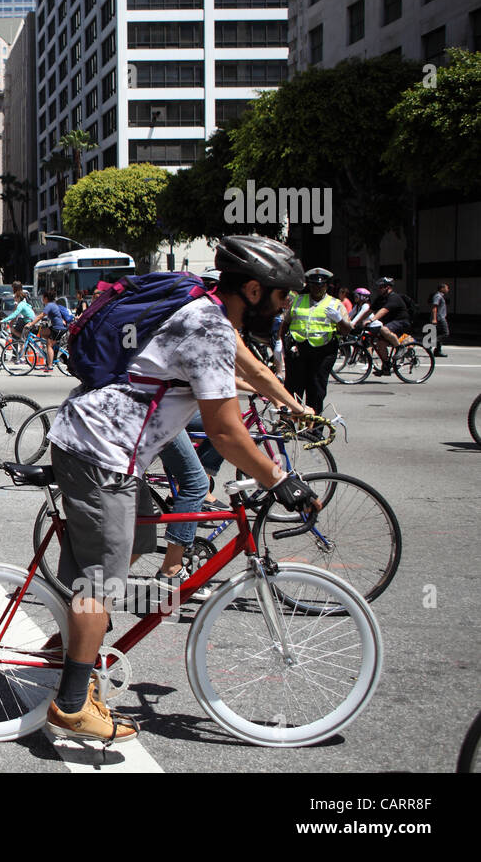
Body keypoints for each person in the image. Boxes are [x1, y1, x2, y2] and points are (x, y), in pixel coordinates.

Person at [44, 235, 321, 745]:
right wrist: (281, 480)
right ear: (255, 290)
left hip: (110, 449)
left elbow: (252, 369)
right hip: (100, 450)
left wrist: (293, 404)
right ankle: (71, 703)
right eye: (285, 297)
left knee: (135, 544)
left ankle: (64, 644)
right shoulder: (208, 325)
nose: (287, 309)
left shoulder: (207, 309)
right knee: (101, 578)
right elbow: (224, 431)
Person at [281, 267, 352, 415]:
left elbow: (346, 330)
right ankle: (289, 424)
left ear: (327, 286)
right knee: (293, 388)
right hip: (298, 350)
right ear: (309, 285)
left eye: (321, 285)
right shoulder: (299, 300)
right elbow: (285, 324)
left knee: (316, 389)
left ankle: (313, 427)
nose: (317, 288)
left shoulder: (335, 304)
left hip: (323, 352)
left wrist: (339, 319)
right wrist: (281, 345)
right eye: (314, 285)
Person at [366, 277, 413, 376]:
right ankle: (386, 366)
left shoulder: (394, 297)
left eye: (381, 287)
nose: (379, 289)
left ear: (388, 287)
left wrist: (371, 320)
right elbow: (369, 311)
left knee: (383, 329)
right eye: (379, 287)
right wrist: (353, 322)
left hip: (401, 322)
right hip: (391, 324)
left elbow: (384, 310)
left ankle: (400, 348)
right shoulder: (380, 298)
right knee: (380, 343)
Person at [27, 289, 73, 370]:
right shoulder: (53, 305)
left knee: (49, 344)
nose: (42, 299)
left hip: (58, 328)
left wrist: (31, 324)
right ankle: (53, 348)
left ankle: (50, 365)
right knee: (41, 332)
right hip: (56, 327)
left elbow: (40, 316)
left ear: (46, 298)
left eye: (43, 298)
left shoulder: (49, 305)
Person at [430, 283, 449, 358]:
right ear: (442, 289)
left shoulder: (440, 296)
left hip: (440, 317)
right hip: (439, 318)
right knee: (445, 333)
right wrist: (434, 319)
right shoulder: (438, 296)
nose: (448, 289)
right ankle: (431, 342)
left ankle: (437, 351)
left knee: (439, 333)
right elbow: (434, 307)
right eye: (447, 288)